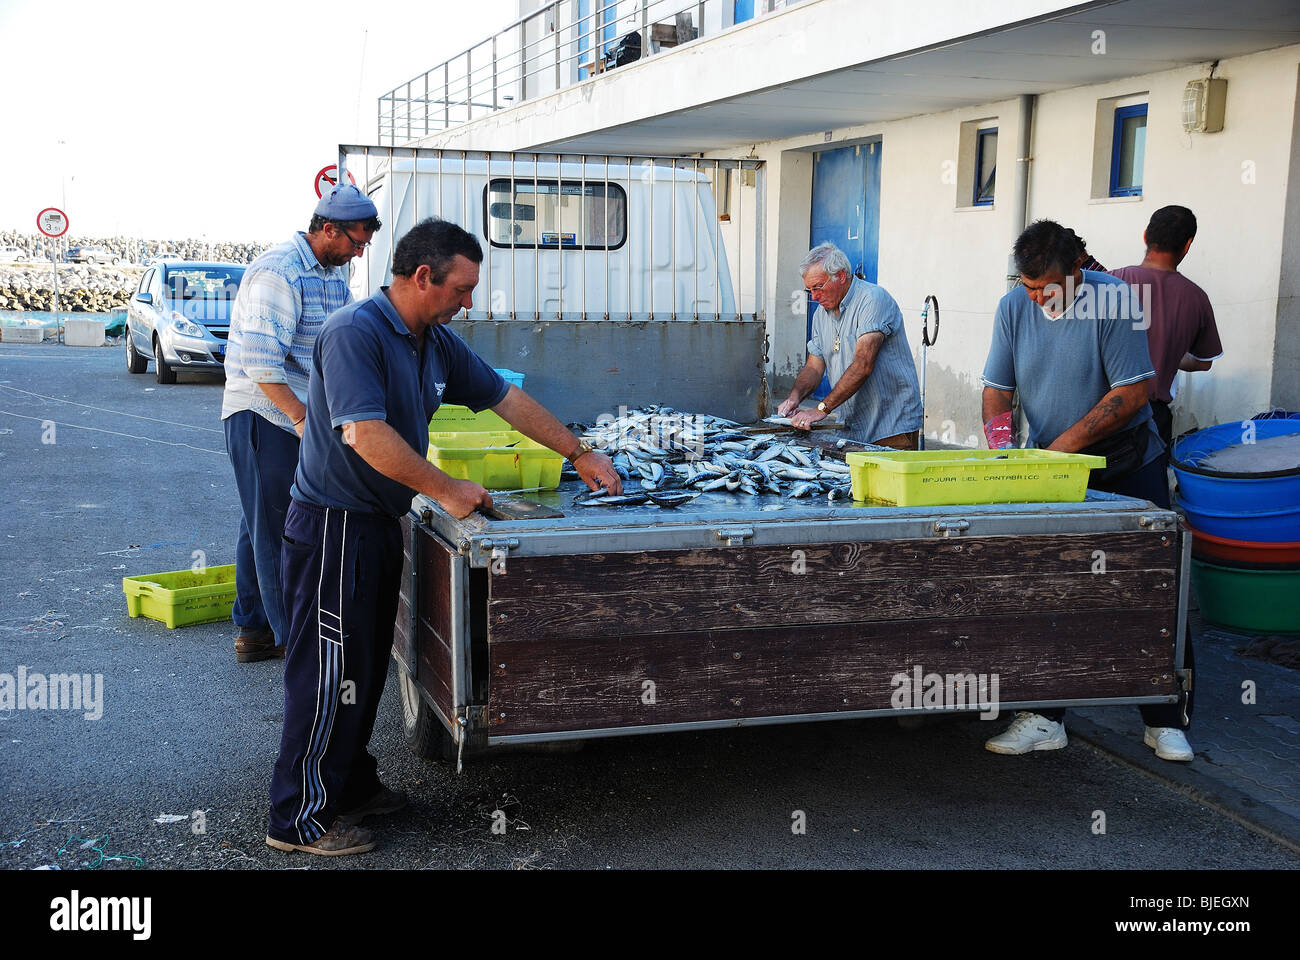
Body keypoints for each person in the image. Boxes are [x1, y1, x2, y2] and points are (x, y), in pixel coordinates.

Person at [265, 218, 622, 856]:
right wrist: (444, 486)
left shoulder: (434, 341)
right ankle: (297, 816)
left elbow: (504, 398)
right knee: (325, 670)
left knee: (367, 666)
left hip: (377, 524)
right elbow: (364, 435)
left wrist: (579, 452)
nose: (468, 302)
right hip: (332, 528)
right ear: (423, 276)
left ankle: (346, 784)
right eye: (461, 288)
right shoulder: (356, 333)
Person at [980, 219, 1193, 763]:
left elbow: (1131, 392)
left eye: (1047, 286)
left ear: (1078, 269)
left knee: (1151, 583)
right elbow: (997, 390)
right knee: (1051, 586)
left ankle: (1164, 717)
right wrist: (1002, 449)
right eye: (1028, 287)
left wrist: (1062, 446)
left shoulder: (1116, 300)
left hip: (1126, 462)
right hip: (1053, 467)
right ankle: (1047, 716)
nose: (1038, 298)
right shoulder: (1014, 307)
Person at [220, 185, 381, 662]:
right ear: (327, 229)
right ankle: (297, 643)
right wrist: (301, 417)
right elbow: (261, 362)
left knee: (261, 523)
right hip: (264, 411)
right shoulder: (279, 272)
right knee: (279, 530)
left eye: (364, 245)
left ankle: (253, 628)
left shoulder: (335, 270)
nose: (358, 252)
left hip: (300, 410)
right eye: (354, 242)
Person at [777, 242, 924, 448]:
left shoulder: (872, 299)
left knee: (888, 480)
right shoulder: (821, 314)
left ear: (841, 276)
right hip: (852, 425)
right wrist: (794, 398)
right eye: (809, 290)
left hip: (891, 424)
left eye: (818, 287)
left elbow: (863, 365)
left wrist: (822, 408)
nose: (815, 296)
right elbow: (814, 366)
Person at [1110, 205, 1223, 451]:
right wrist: (1166, 355)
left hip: (1101, 413)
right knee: (1146, 488)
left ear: (1145, 235)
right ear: (1187, 245)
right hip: (1152, 419)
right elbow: (1204, 362)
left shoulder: (1110, 283)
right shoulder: (1196, 298)